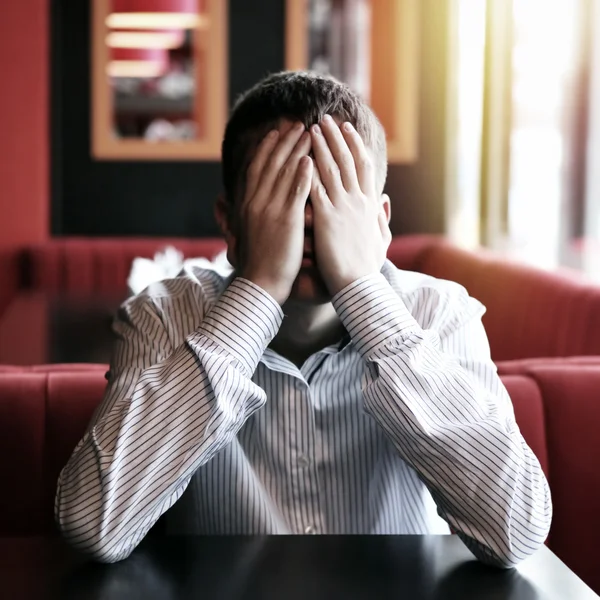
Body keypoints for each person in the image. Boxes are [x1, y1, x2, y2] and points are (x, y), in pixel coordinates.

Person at [55, 71, 551, 565]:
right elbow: (92, 525)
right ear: (229, 222)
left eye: (336, 197)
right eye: (282, 195)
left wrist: (362, 287)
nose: (310, 221)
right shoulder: (163, 315)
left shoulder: (437, 313)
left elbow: (515, 533)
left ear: (379, 222)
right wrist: (257, 288)